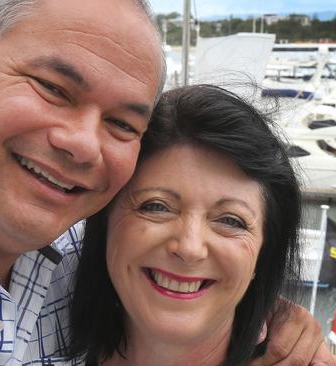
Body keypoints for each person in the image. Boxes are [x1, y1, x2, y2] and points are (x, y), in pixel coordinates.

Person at [0, 0, 334, 364]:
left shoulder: (80, 244)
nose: (83, 144)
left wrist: (263, 314)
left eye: (121, 123)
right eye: (53, 88)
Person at [69, 84, 310, 365]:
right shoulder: (37, 343)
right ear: (105, 222)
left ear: (263, 254)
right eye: (156, 207)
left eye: (231, 221)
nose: (190, 248)